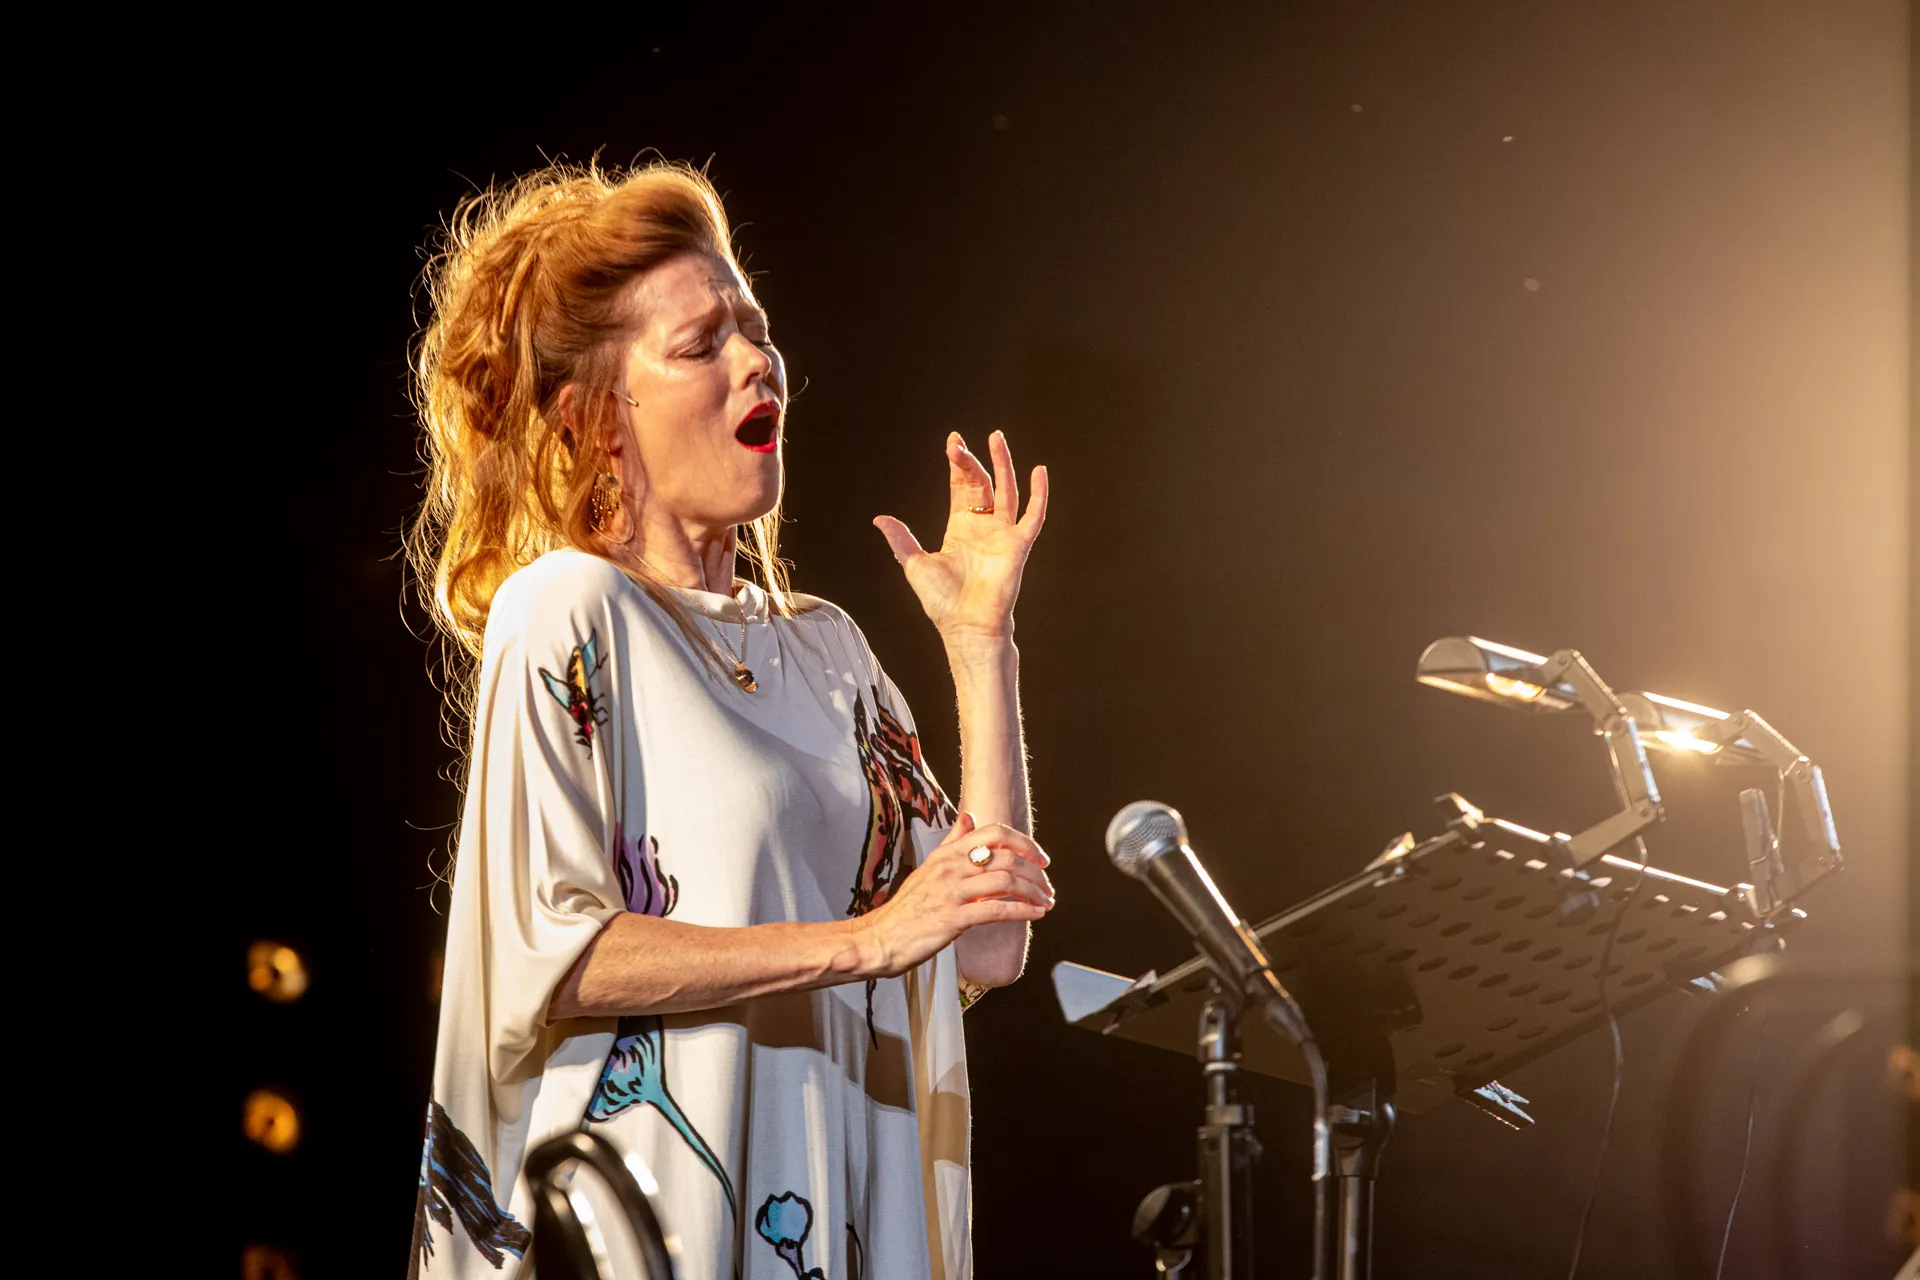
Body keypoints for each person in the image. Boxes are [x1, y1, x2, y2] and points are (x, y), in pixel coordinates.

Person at [405, 160, 1054, 1280]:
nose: (759, 360)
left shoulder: (829, 649)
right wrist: (869, 939)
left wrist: (980, 643)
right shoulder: (570, 609)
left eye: (755, 329)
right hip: (646, 1224)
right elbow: (550, 954)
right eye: (701, 344)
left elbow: (988, 940)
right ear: (597, 419)